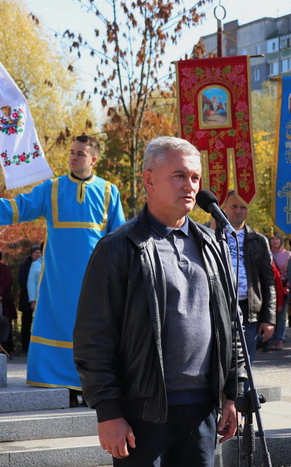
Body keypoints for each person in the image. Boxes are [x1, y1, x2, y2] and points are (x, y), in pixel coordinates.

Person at [74, 136, 244, 465]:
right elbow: (93, 337)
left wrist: (232, 395)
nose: (190, 186)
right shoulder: (118, 249)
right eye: (179, 175)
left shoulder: (210, 244)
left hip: (202, 410)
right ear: (149, 180)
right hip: (142, 412)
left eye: (195, 177)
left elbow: (229, 325)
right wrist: (108, 413)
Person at [0, 134, 125, 393]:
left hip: (95, 277)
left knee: (93, 327)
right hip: (57, 278)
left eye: (80, 154)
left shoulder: (109, 191)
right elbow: (21, 207)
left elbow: (118, 235)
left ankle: (92, 381)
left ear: (93, 159)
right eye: (72, 152)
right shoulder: (53, 188)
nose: (73, 157)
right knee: (58, 321)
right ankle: (57, 378)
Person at [222, 191, 276, 360]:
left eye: (243, 207)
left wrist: (269, 319)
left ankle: (244, 388)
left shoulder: (259, 240)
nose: (238, 211)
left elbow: (269, 282)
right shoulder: (210, 235)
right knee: (221, 362)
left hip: (249, 311)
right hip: (220, 307)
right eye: (234, 206)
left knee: (245, 363)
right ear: (224, 207)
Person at [18, 244, 42, 355]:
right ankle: (26, 347)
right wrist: (32, 299)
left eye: (39, 252)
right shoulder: (33, 265)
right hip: (29, 298)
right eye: (35, 252)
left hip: (44, 299)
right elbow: (30, 283)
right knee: (27, 324)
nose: (38, 254)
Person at [270, 233, 291, 343]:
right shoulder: (266, 253)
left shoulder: (288, 254)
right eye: (272, 239)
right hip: (270, 286)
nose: (275, 241)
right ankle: (269, 338)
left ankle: (280, 338)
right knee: (270, 313)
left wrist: (288, 283)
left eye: (277, 239)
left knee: (282, 313)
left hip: (284, 287)